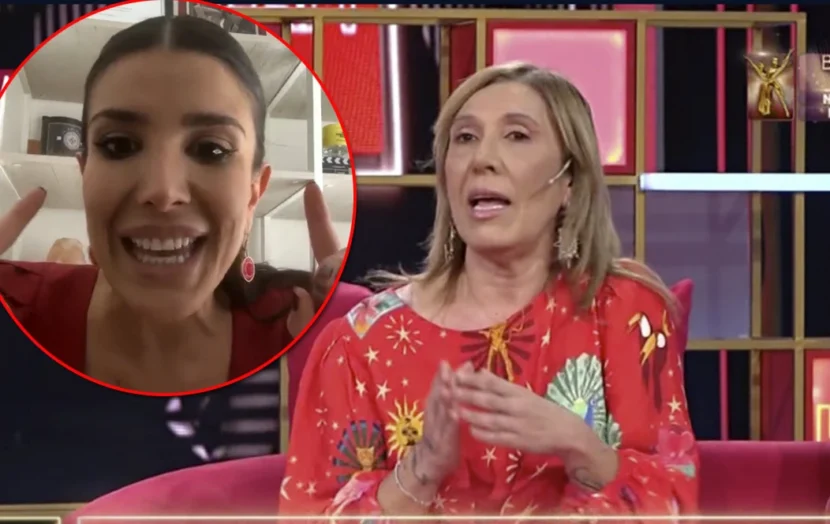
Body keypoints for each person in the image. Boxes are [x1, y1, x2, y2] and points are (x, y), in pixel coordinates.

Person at [280, 62, 699, 518]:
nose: (482, 158)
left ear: (569, 181)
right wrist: (421, 470)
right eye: (465, 138)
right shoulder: (358, 344)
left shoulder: (626, 313)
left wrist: (579, 446)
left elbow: (674, 500)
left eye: (517, 135)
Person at [0, 15, 353, 393]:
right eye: (119, 144)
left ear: (255, 191)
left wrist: (372, 336)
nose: (164, 192)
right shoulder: (17, 309)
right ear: (84, 172)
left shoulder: (314, 329)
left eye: (211, 149)